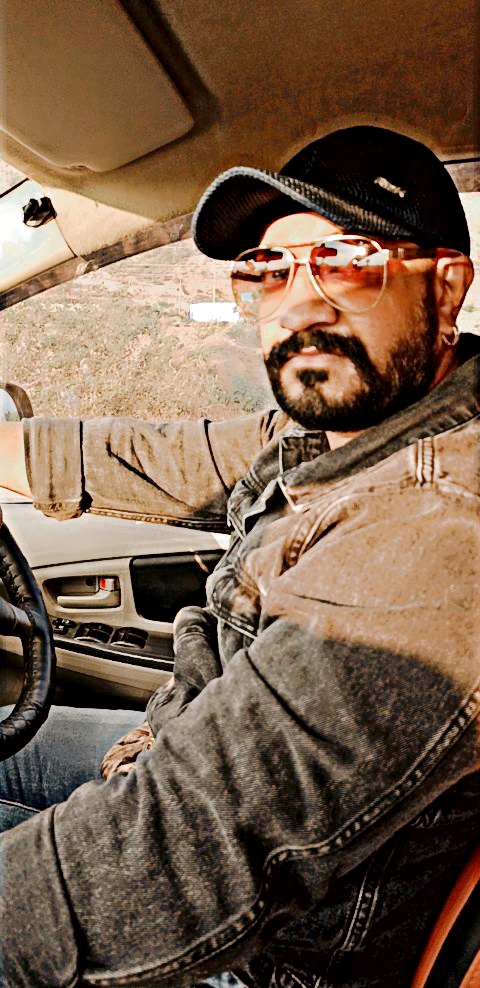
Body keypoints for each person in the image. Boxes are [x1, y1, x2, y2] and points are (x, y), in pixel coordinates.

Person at [0, 125, 478, 987]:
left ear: (446, 290)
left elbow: (163, 860)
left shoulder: (439, 532)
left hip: (269, 959)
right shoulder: (344, 431)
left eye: (347, 262)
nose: (301, 307)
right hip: (176, 750)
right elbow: (151, 458)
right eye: (269, 271)